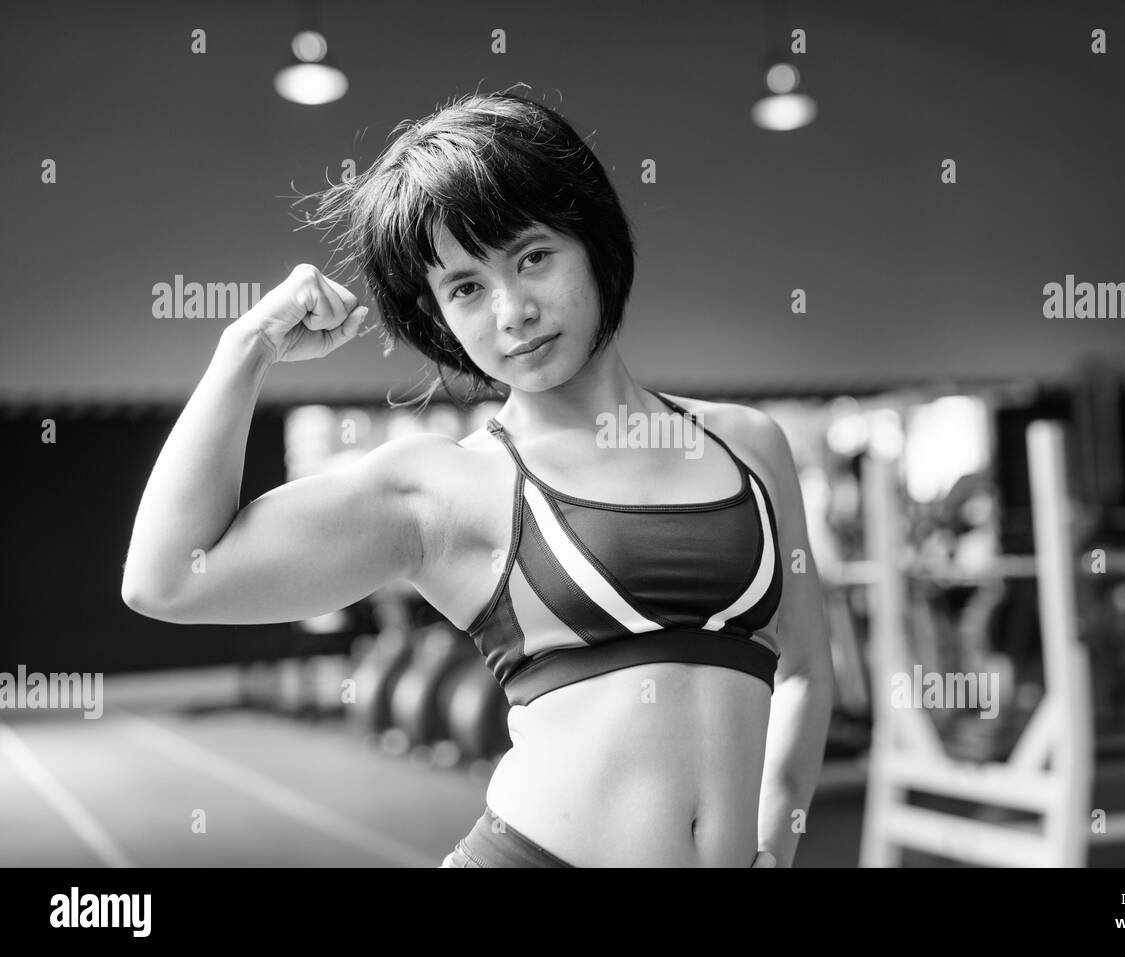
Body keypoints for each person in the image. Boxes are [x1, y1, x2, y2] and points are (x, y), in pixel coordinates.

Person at [121, 89, 835, 867]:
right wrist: (246, 346)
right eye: (466, 287)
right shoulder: (444, 488)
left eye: (533, 256)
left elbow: (802, 671)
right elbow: (165, 578)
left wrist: (776, 838)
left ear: (593, 243)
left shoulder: (748, 445)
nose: (513, 310)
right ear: (439, 318)